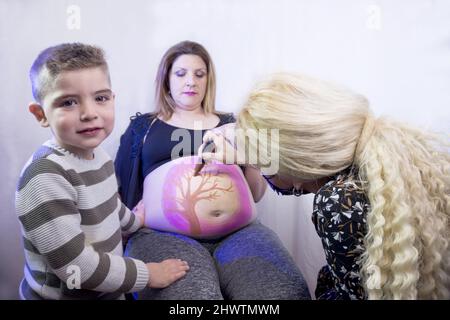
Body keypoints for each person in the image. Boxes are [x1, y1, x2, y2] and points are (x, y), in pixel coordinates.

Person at [199, 72, 450, 300]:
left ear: (295, 160)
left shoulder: (338, 202)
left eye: (266, 158)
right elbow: (294, 182)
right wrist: (246, 155)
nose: (263, 166)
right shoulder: (381, 153)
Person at [115, 41, 310, 299]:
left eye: (199, 74)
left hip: (240, 233)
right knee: (192, 298)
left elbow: (257, 193)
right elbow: (119, 189)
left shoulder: (233, 124)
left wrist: (248, 151)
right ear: (166, 79)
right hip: (162, 235)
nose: (191, 82)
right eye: (181, 73)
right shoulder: (144, 126)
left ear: (208, 79)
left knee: (281, 293)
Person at [15, 43, 189, 300]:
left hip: (107, 290)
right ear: (41, 114)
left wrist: (136, 221)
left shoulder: (100, 156)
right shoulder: (45, 176)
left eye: (100, 98)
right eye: (69, 102)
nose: (89, 113)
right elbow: (76, 267)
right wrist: (149, 274)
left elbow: (109, 205)